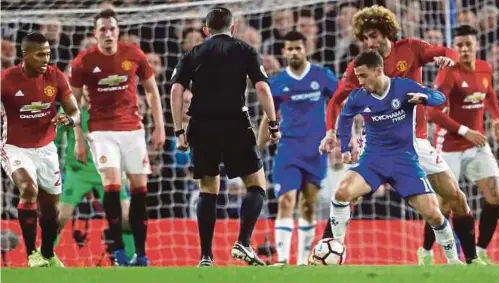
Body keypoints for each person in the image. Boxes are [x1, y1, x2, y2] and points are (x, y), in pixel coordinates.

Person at [318, 5, 483, 264]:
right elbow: (337, 102)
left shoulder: (411, 48)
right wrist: (333, 133)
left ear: (387, 32)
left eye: (374, 35)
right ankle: (328, 251)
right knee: (350, 194)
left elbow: (445, 53)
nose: (370, 42)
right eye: (365, 38)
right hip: (378, 140)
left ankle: (471, 260)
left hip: (416, 140)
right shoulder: (360, 67)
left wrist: (447, 59)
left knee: (454, 196)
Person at [170, 6, 280, 266]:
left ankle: (206, 256)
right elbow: (263, 87)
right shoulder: (245, 50)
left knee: (208, 189)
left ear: (206, 31)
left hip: (201, 125)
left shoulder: (194, 52)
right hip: (235, 124)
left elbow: (176, 91)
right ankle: (243, 242)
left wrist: (179, 132)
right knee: (256, 184)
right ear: (233, 28)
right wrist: (273, 123)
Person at [329, 50, 461, 264]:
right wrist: (345, 147)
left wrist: (425, 98)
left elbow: (440, 98)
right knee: (342, 192)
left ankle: (455, 262)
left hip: (404, 161)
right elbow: (344, 117)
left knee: (434, 215)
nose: (359, 81)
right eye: (357, 76)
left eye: (363, 75)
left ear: (378, 71)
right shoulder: (358, 96)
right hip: (373, 160)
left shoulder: (403, 87)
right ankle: (336, 250)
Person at [69, 8, 166, 266]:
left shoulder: (133, 54)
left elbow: (152, 92)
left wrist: (160, 126)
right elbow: (73, 103)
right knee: (112, 185)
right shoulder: (83, 62)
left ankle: (142, 255)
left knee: (139, 189)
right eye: (103, 29)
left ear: (118, 30)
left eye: (112, 28)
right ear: (95, 33)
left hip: (133, 130)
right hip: (101, 132)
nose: (108, 33)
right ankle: (120, 252)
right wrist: (79, 138)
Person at [257, 31, 338, 265]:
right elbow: (268, 116)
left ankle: (302, 262)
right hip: (288, 149)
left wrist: (344, 133)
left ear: (306, 49)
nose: (294, 52)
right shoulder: (278, 82)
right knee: (286, 201)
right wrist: (258, 147)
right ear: (283, 52)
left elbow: (340, 100)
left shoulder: (321, 76)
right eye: (289, 48)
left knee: (308, 205)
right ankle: (282, 259)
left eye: (298, 48)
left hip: (316, 150)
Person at [427, 25, 499, 264]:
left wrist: (497, 119)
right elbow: (432, 111)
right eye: (459, 45)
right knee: (445, 205)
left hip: (476, 144)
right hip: (449, 145)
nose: (463, 49)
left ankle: (480, 249)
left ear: (476, 46)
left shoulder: (485, 68)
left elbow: (489, 94)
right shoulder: (448, 73)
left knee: (495, 195)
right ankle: (426, 250)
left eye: (468, 44)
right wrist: (465, 131)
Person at [0, 32, 80, 267]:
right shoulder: (6, 80)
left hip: (46, 149)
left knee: (50, 212)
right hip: (14, 147)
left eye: (48, 53)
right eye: (40, 54)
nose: (46, 58)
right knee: (28, 188)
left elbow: (74, 111)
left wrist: (69, 119)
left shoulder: (55, 76)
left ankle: (47, 254)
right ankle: (32, 254)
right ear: (25, 55)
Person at [54, 96, 135, 261]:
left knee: (126, 218)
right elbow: (53, 138)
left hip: (108, 170)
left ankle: (132, 258)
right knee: (60, 216)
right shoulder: (68, 109)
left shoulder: (110, 107)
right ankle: (45, 256)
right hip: (78, 172)